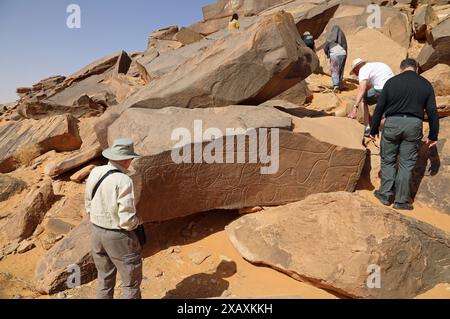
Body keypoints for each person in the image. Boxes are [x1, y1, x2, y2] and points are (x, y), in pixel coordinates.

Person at [370, 59, 440, 211]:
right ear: (416, 70)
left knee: (388, 160)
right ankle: (401, 201)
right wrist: (433, 135)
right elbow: (432, 111)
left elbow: (380, 107)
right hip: (414, 125)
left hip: (392, 123)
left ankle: (385, 195)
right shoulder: (425, 84)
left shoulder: (392, 82)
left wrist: (373, 129)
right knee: (406, 165)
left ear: (401, 69)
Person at [85, 138, 143, 299]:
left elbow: (88, 202)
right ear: (125, 159)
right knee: (130, 282)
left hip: (97, 231)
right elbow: (126, 219)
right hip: (117, 236)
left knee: (104, 277)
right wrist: (137, 221)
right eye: (131, 158)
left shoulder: (96, 171)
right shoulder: (124, 180)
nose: (131, 161)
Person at [349, 58, 395, 137]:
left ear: (357, 68)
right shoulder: (376, 65)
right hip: (394, 90)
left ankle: (367, 128)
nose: (356, 75)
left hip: (382, 89)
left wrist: (355, 107)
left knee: (363, 99)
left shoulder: (362, 70)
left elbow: (362, 89)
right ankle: (384, 126)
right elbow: (371, 87)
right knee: (384, 106)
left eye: (355, 72)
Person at [324, 25, 347, 93]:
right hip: (343, 54)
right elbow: (345, 46)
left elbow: (325, 48)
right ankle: (340, 84)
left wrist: (327, 53)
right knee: (340, 69)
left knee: (334, 70)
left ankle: (336, 86)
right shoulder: (342, 38)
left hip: (334, 55)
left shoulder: (330, 39)